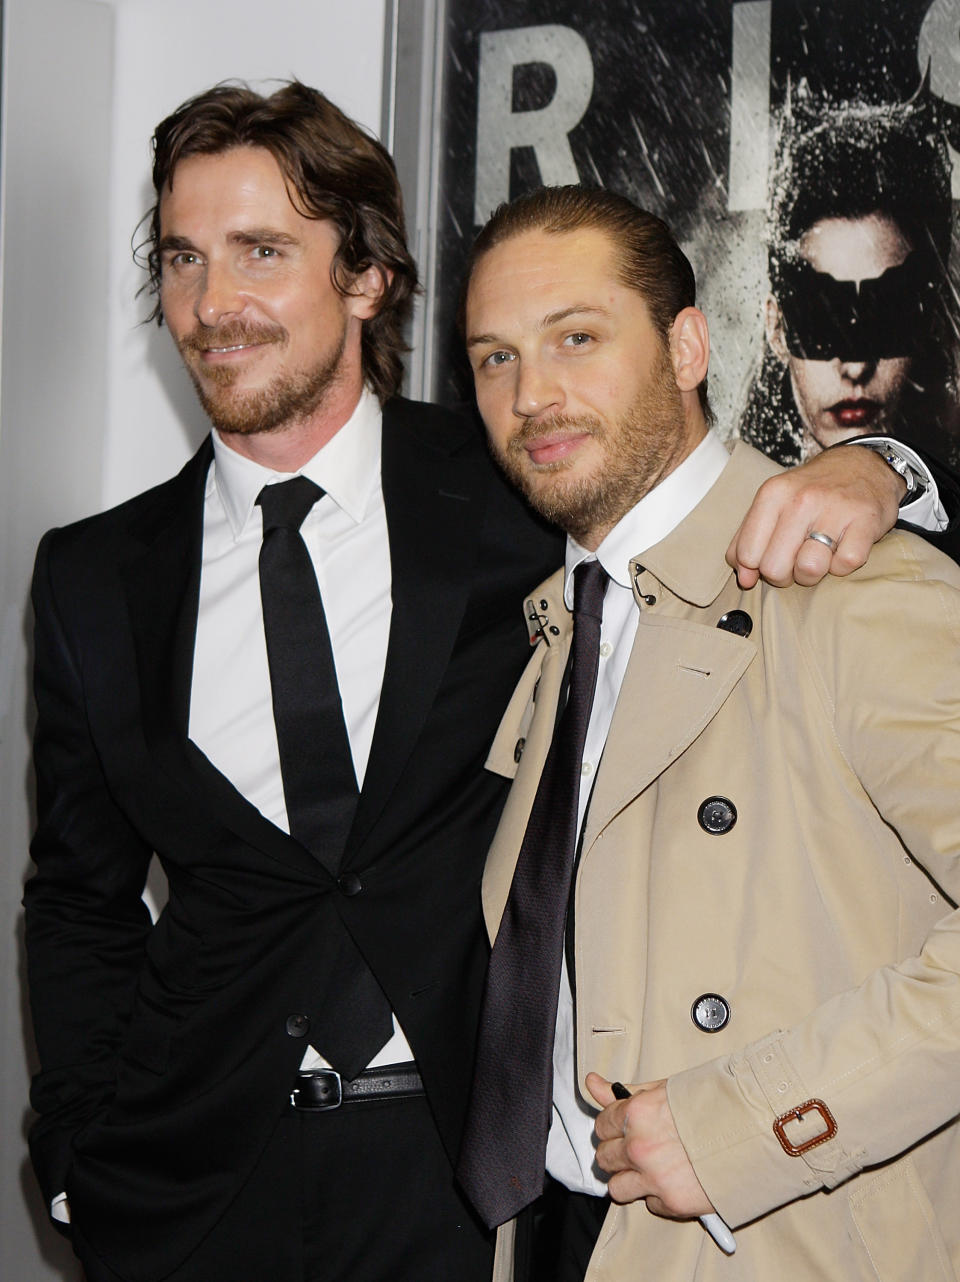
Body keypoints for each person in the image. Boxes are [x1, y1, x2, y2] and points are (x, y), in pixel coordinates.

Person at [21, 82, 929, 1282]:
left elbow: (697, 489)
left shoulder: (521, 476)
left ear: (365, 277)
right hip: (197, 1185)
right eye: (182, 257)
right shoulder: (92, 576)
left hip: (468, 1180)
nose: (212, 303)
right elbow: (77, 900)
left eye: (261, 251)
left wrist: (883, 467)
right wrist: (80, 1156)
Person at [454, 184, 960, 1282]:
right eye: (495, 359)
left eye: (575, 337)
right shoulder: (556, 629)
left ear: (688, 346)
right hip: (558, 1240)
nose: (532, 393)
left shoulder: (852, 584)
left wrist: (753, 1122)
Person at [739, 94, 960, 468]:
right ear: (777, 329)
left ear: (925, 322)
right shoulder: (724, 502)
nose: (856, 367)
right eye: (823, 319)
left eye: (886, 315)